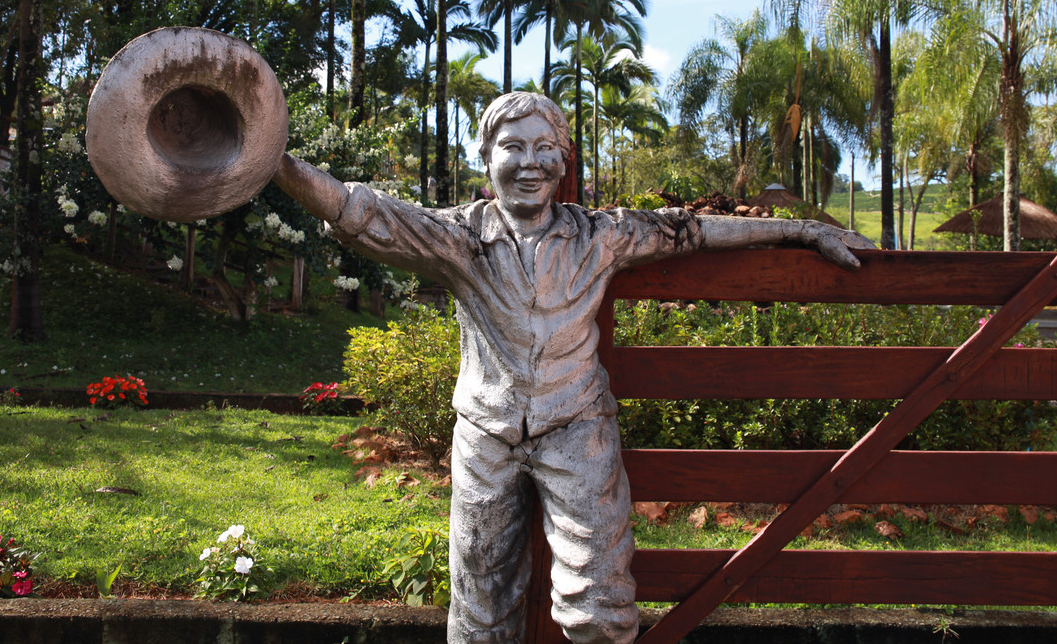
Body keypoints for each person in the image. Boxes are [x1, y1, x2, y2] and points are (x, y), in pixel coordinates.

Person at [273, 91, 873, 644]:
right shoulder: (459, 237)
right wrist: (274, 163)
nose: (528, 163)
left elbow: (690, 230)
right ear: (486, 159)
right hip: (486, 434)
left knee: (601, 607)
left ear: (563, 162)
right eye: (512, 147)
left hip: (578, 427)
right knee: (479, 611)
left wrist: (801, 228)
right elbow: (366, 212)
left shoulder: (601, 235)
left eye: (544, 148)